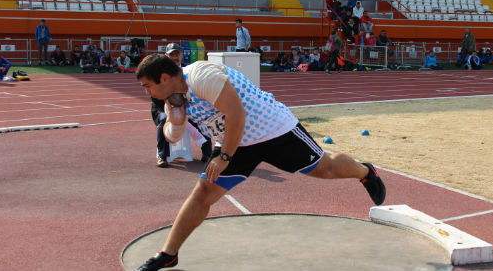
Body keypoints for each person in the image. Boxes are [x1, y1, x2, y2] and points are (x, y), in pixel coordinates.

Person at [134, 54, 386, 270]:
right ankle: (168, 254)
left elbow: (236, 113)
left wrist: (223, 157)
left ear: (164, 78)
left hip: (273, 129)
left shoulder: (201, 76)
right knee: (203, 192)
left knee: (325, 169)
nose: (146, 92)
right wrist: (176, 121)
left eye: (147, 86)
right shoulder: (172, 99)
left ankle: (365, 172)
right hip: (235, 141)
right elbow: (172, 134)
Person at [151, 43, 212, 168]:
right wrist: (171, 108)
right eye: (171, 54)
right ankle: (162, 156)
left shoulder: (188, 71)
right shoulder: (158, 73)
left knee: (203, 118)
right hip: (163, 108)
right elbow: (155, 96)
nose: (174, 57)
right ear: (166, 56)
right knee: (163, 121)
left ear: (181, 55)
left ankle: (207, 153)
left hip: (186, 107)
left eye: (177, 54)